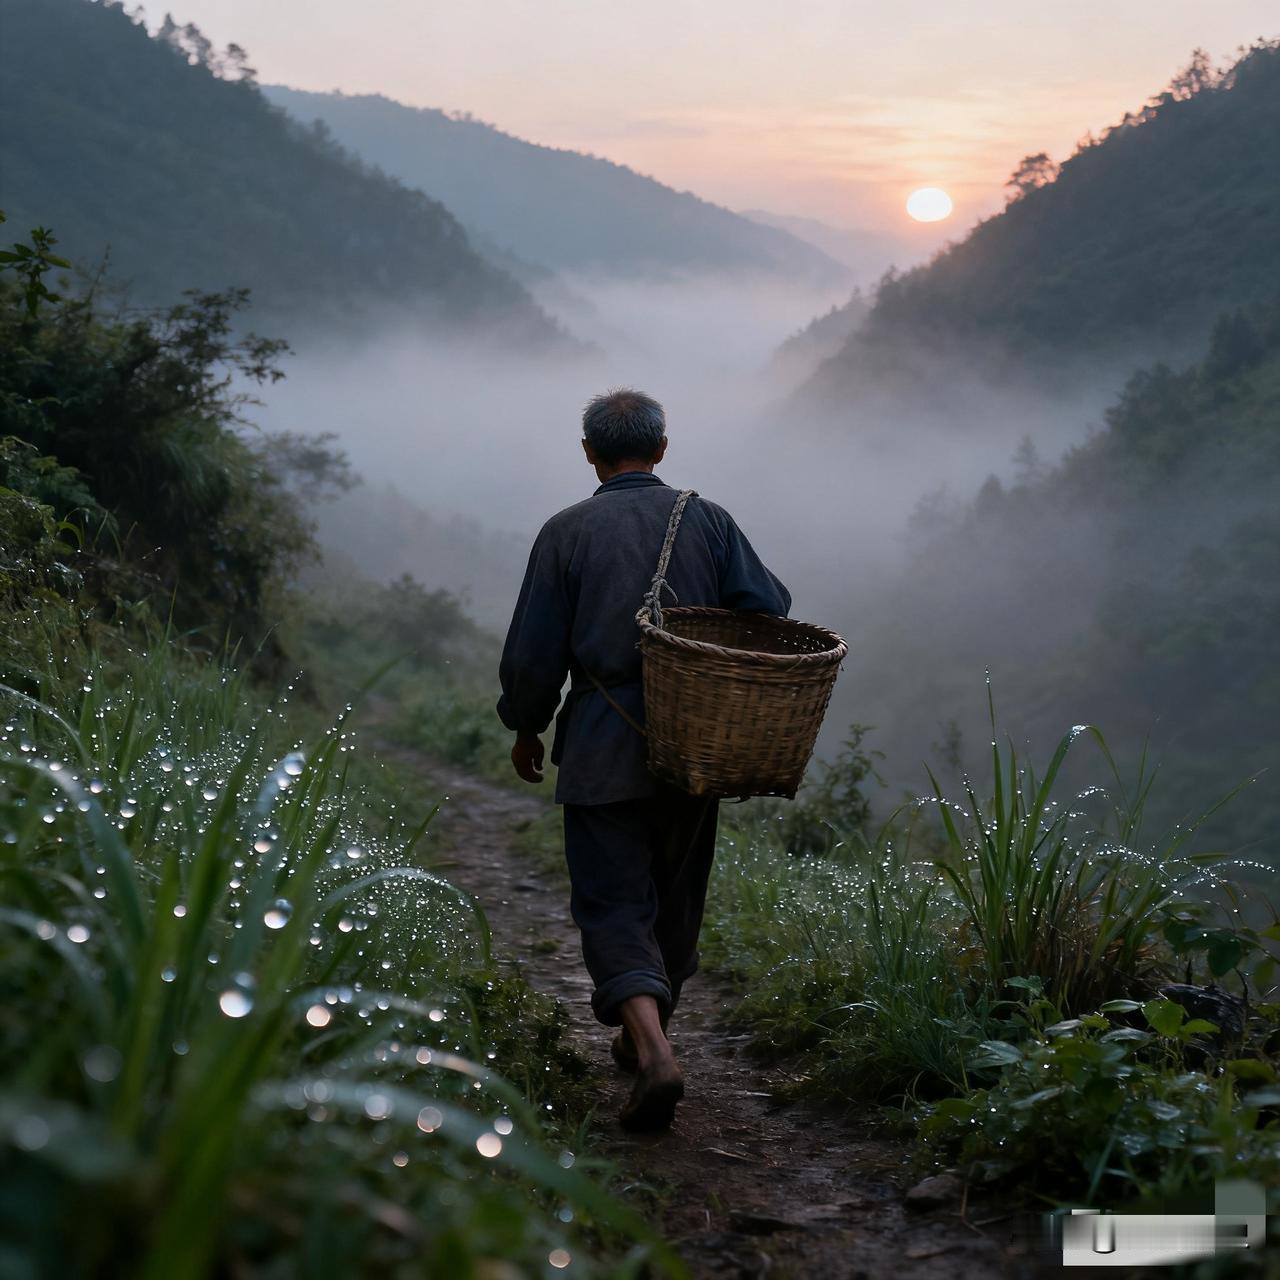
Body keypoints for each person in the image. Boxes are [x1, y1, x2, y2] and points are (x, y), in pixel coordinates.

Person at [496, 388, 791, 1131]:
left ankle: (652, 1047)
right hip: (695, 744)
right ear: (660, 450)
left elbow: (534, 657)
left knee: (611, 900)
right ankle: (650, 1033)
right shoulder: (709, 520)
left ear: (590, 454)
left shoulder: (565, 533)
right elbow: (769, 608)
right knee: (675, 896)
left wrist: (527, 727)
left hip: (601, 742)